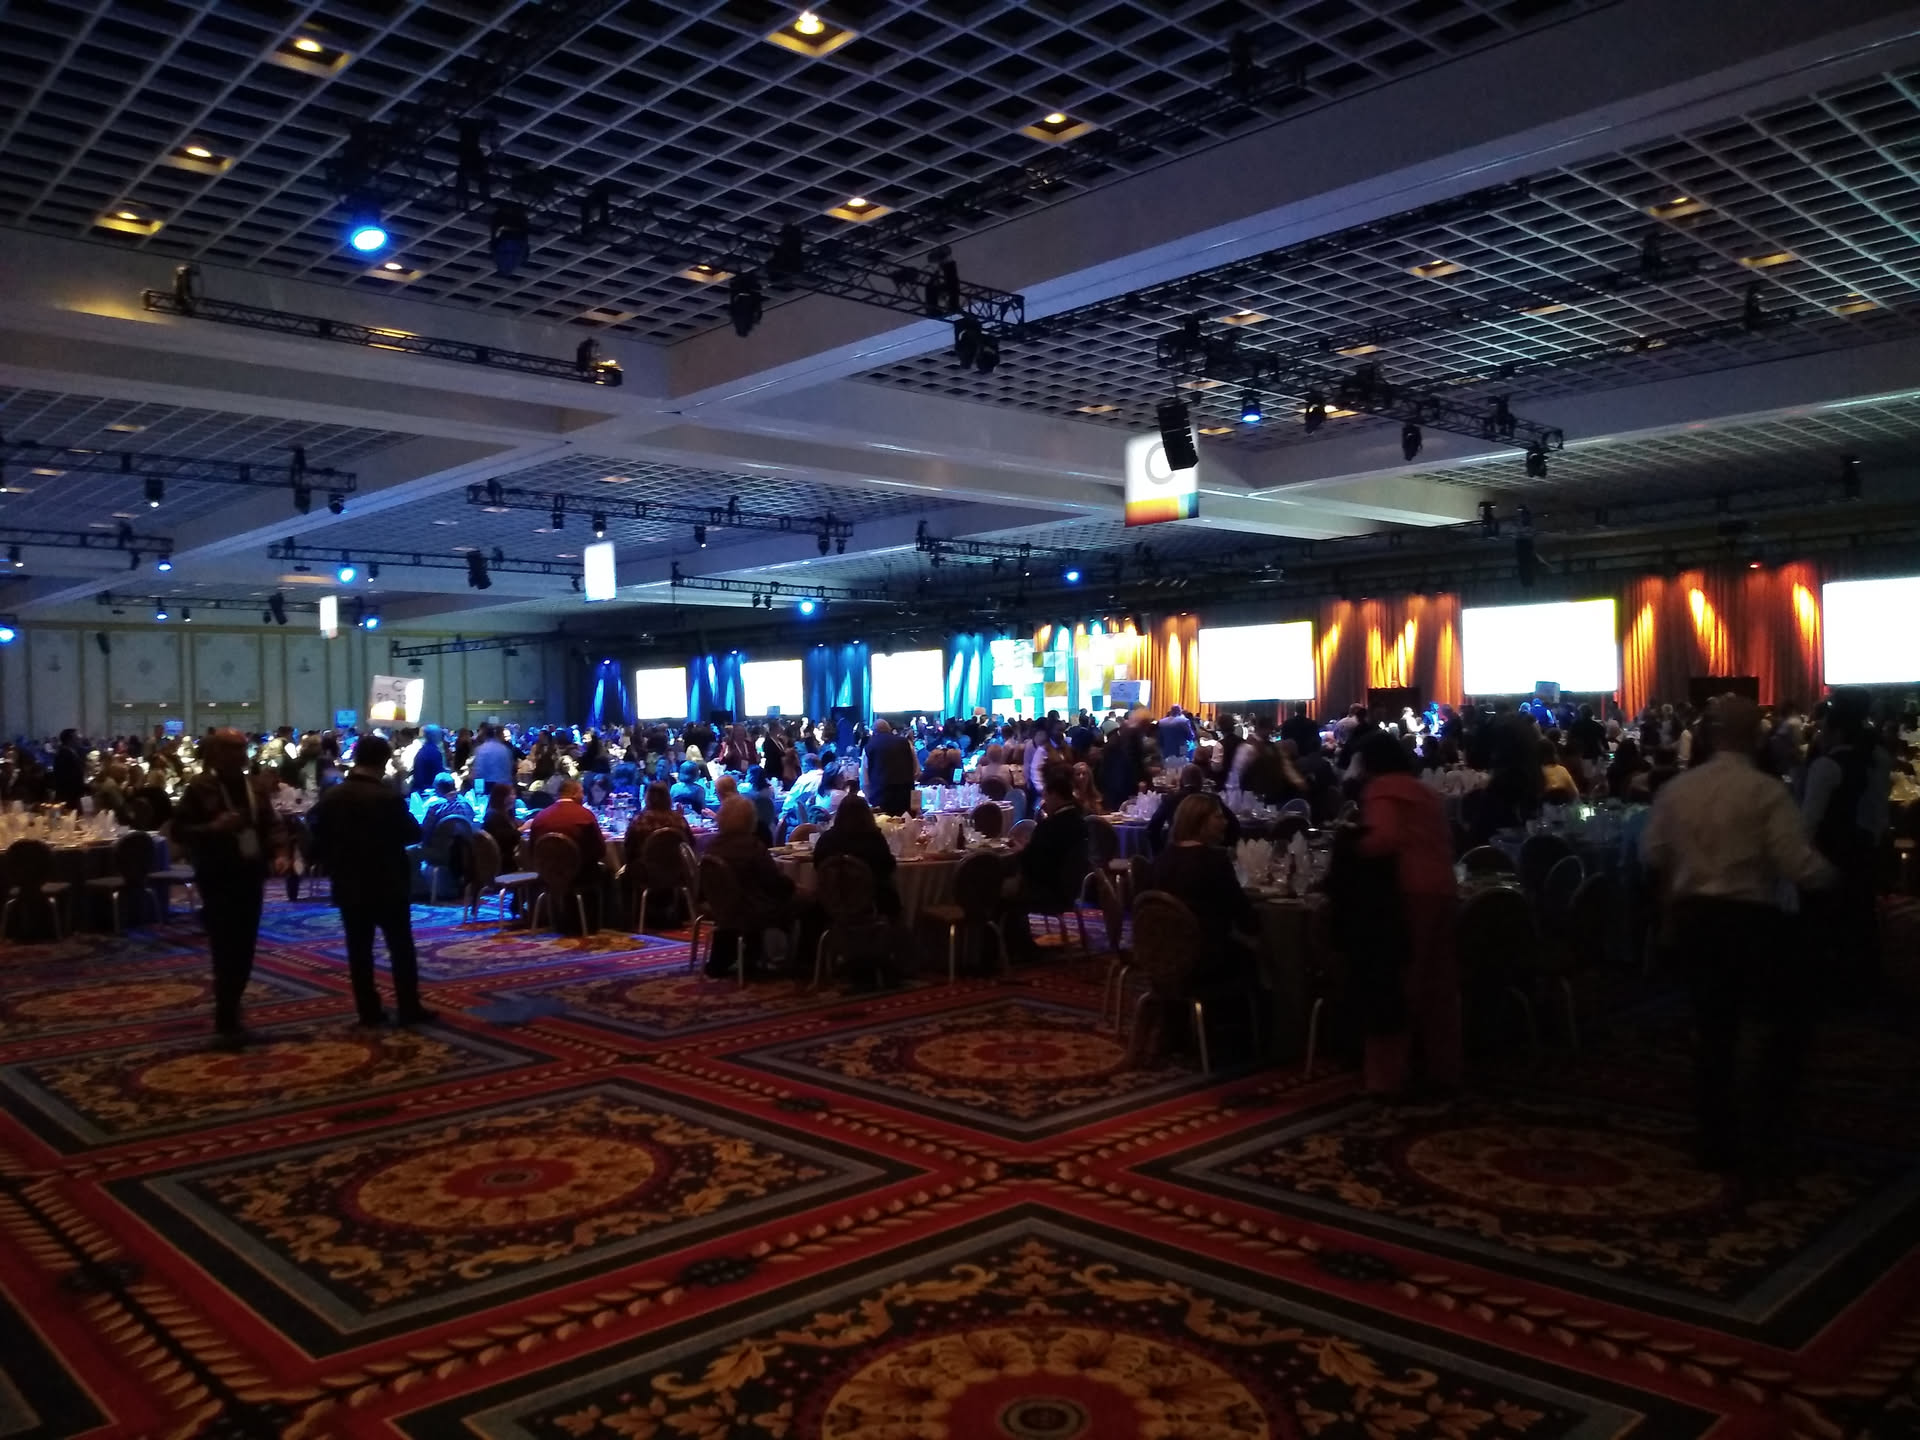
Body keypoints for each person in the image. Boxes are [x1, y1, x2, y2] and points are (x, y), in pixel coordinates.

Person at [1642, 696, 1833, 1171]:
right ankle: (1766, 1122)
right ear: (1756, 736)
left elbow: (1651, 854)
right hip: (1749, 922)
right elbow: (1798, 865)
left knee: (1712, 1026)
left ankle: (1714, 1133)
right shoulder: (1765, 792)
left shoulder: (1678, 790)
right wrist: (1836, 878)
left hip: (1693, 921)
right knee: (1784, 1020)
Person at [1348, 729, 1460, 1099]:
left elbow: (1384, 838)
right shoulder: (1421, 790)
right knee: (1440, 986)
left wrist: (1350, 847)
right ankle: (1444, 1068)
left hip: (1410, 891)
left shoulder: (1383, 789)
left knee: (1399, 984)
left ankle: (1388, 1078)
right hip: (1443, 886)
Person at [173, 729, 289, 1047]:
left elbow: (271, 824)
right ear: (216, 753)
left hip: (250, 874)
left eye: (242, 748)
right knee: (225, 947)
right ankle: (227, 1018)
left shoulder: (254, 787)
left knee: (245, 946)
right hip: (217, 875)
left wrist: (280, 851)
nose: (240, 755)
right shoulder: (200, 788)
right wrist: (213, 828)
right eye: (233, 749)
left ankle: (233, 1012)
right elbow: (179, 830)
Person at [306, 735, 433, 1026]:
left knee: (359, 950)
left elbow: (316, 841)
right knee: (400, 947)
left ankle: (368, 1011)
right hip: (388, 881)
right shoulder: (386, 797)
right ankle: (409, 1007)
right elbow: (413, 834)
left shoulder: (333, 797)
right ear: (383, 761)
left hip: (348, 881)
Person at [704, 795, 797, 975]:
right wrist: (792, 886)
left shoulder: (712, 846)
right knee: (809, 901)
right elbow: (774, 883)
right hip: (751, 908)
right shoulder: (753, 847)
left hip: (720, 907)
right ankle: (803, 962)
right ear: (750, 819)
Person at [1004, 766, 1090, 962]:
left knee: (998, 891)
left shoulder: (1052, 825)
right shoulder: (1080, 822)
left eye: (1046, 796)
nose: (1044, 802)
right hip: (1070, 888)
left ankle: (1010, 948)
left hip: (1049, 890)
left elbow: (1034, 863)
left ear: (1055, 795)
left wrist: (1020, 851)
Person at [1146, 764, 1240, 855]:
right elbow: (1234, 824)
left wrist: (1160, 853)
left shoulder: (1170, 799)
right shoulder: (1212, 799)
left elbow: (1152, 829)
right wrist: (1224, 849)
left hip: (1176, 853)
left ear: (1182, 781)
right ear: (1201, 781)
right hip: (1208, 853)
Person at [527, 777, 606, 868]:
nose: (583, 796)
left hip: (546, 872)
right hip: (581, 872)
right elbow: (600, 851)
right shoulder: (586, 815)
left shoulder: (540, 816)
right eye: (581, 792)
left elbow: (531, 851)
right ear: (574, 794)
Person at [862, 719, 919, 816]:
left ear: (874, 732)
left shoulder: (868, 747)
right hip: (905, 798)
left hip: (881, 799)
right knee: (906, 824)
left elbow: (865, 781)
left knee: (884, 824)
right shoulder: (906, 743)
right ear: (890, 730)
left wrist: (869, 799)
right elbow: (916, 771)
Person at [470, 723, 516, 792]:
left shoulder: (481, 749)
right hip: (503, 785)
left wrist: (478, 790)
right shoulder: (505, 749)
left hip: (487, 786)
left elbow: (478, 773)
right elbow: (509, 769)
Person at [52, 728, 85, 808]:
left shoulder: (72, 752)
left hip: (73, 794)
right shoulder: (63, 754)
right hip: (68, 795)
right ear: (70, 739)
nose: (80, 739)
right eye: (77, 737)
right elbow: (65, 777)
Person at [410, 725, 447, 795]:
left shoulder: (423, 749)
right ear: (434, 736)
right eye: (439, 734)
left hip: (419, 788)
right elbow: (439, 775)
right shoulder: (434, 752)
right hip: (428, 790)